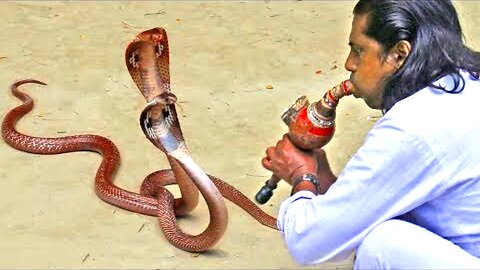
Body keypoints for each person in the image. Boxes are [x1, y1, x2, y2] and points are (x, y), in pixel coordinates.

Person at [261, 0, 480, 268]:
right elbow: (370, 204)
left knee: (382, 246)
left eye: (359, 51)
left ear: (399, 54)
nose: (349, 64)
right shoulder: (467, 84)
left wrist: (301, 177)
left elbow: (310, 243)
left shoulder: (414, 126)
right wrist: (327, 182)